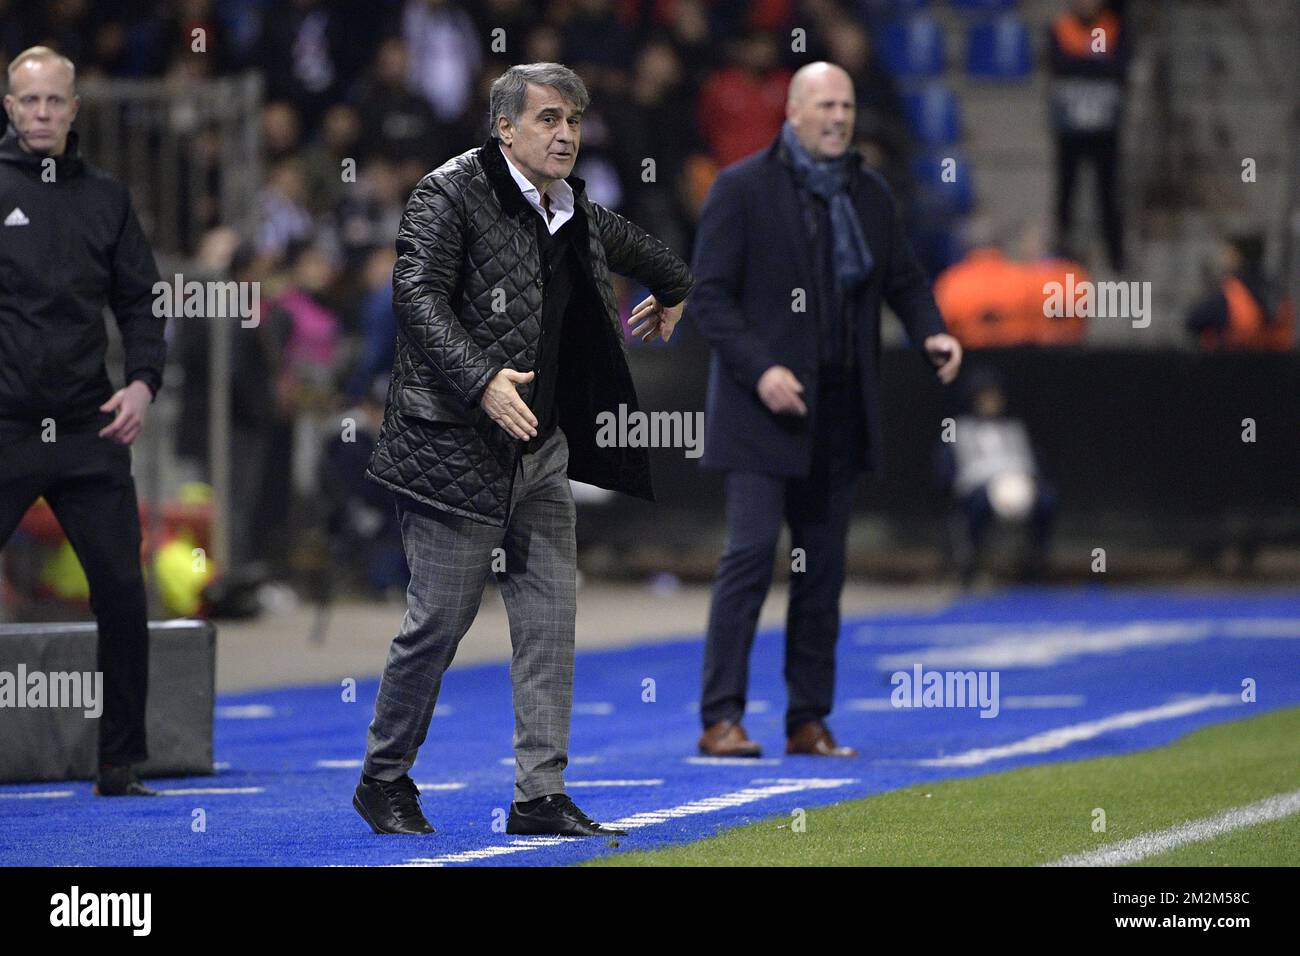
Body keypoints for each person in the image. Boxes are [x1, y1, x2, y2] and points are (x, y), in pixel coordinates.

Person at [355, 63, 694, 836]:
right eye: (548, 118)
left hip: (540, 451)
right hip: (456, 447)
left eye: (573, 119)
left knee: (549, 625)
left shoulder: (569, 209)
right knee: (437, 624)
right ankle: (384, 777)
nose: (566, 133)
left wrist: (673, 294)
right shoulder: (448, 192)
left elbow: (656, 257)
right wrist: (481, 381)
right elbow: (415, 296)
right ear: (505, 127)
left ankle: (538, 796)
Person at [690, 61, 962, 759]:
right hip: (761, 413)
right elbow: (711, 299)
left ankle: (808, 720)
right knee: (749, 560)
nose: (839, 117)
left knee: (821, 574)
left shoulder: (868, 192)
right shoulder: (741, 188)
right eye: (826, 106)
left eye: (845, 105)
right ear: (794, 113)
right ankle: (720, 717)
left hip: (838, 412)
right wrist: (763, 370)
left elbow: (903, 277)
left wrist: (931, 328)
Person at [0, 47, 166, 795]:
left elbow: (141, 300)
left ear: (74, 109)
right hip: (3, 428)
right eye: (28, 101)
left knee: (123, 593)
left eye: (53, 102)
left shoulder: (107, 197)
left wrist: (142, 384)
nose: (41, 114)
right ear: (8, 105)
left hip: (87, 428)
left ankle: (119, 760)